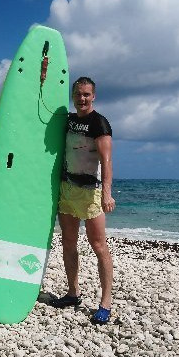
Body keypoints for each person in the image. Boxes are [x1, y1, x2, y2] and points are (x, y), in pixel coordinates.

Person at [54, 77, 115, 324]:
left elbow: (107, 161)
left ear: (94, 96)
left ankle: (106, 303)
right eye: (78, 94)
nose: (82, 99)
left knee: (99, 246)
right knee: (68, 242)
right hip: (67, 188)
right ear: (73, 95)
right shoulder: (67, 121)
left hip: (91, 191)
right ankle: (72, 292)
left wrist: (107, 194)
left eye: (86, 95)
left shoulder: (99, 123)